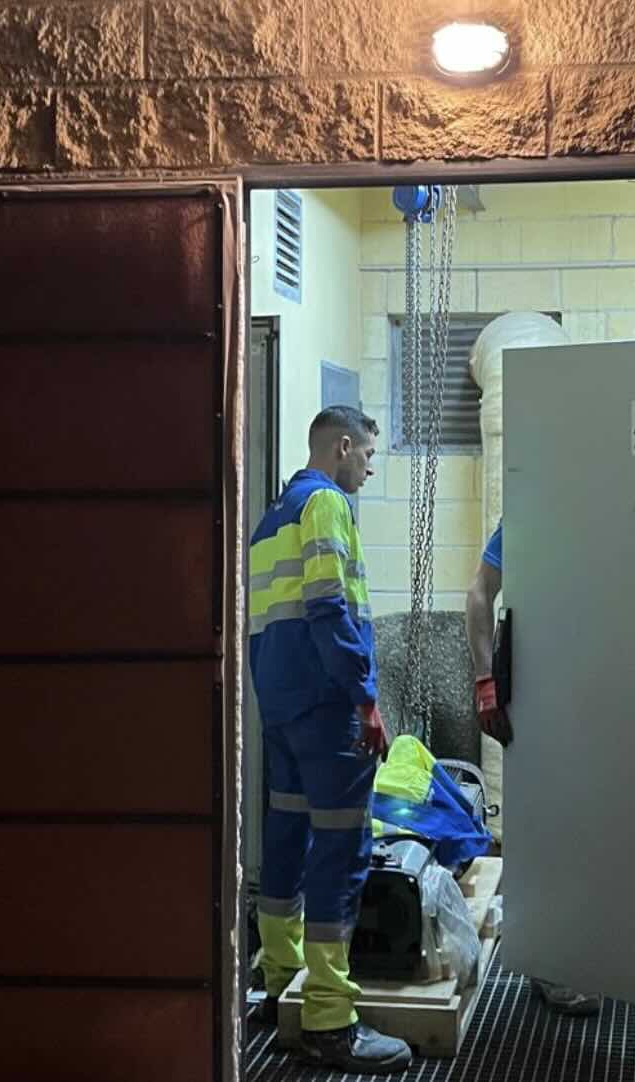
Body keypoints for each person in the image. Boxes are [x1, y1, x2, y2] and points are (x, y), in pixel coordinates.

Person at [248, 406, 412, 1073]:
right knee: (340, 852)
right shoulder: (326, 505)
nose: (369, 468)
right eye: (368, 455)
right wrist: (365, 697)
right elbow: (328, 605)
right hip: (327, 705)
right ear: (342, 446)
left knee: (286, 842)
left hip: (282, 709)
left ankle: (278, 986)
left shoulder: (269, 520)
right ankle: (329, 1020)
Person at [464, 518, 603, 1018]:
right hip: (542, 688)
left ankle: (591, 952)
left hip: (598, 683)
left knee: (593, 822)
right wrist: (486, 681)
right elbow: (480, 593)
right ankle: (551, 960)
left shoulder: (609, 512)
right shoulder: (530, 512)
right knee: (550, 822)